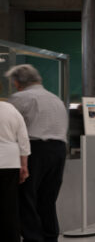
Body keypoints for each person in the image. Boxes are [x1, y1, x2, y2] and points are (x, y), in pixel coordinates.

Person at [6, 64, 68, 242]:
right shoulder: (55, 98)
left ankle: (33, 238)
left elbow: (8, 123)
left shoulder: (20, 98)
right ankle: (50, 236)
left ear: (17, 82)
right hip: (58, 150)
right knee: (48, 198)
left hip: (35, 150)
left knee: (26, 197)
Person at [0, 100, 31, 242]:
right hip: (9, 162)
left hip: (9, 161)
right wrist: (24, 165)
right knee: (9, 206)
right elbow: (23, 138)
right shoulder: (10, 109)